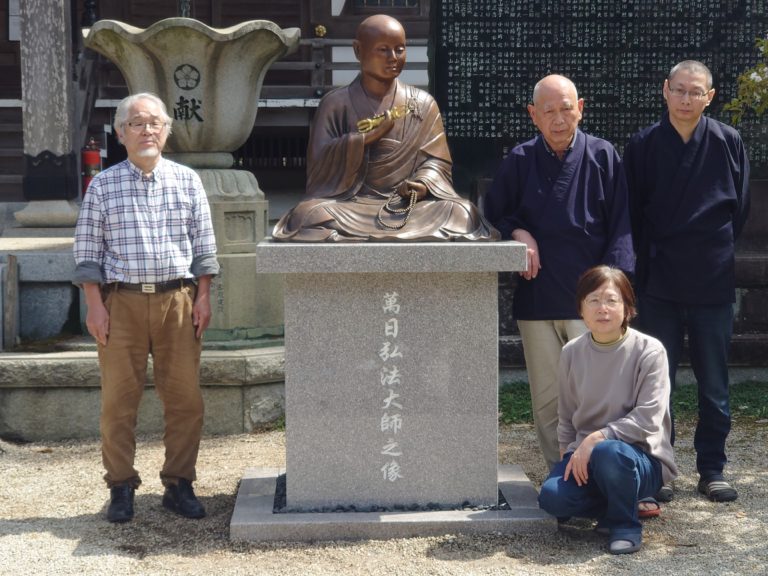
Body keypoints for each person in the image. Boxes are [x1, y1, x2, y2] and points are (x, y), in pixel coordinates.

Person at [73, 92, 220, 523]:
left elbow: (204, 247)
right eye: (137, 123)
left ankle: (179, 483)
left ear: (167, 131)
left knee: (186, 399)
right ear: (121, 134)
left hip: (178, 300)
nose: (147, 130)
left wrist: (204, 295)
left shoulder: (187, 180)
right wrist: (94, 306)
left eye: (155, 122)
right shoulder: (102, 184)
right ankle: (120, 486)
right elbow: (87, 253)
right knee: (119, 401)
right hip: (122, 304)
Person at [484, 74, 635, 471]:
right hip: (537, 295)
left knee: (597, 392)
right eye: (548, 110)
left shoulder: (603, 156)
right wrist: (518, 233)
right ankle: (561, 471)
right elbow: (495, 212)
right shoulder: (519, 160)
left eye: (566, 108)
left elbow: (622, 223)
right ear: (533, 115)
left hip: (590, 297)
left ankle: (603, 471)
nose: (558, 118)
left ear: (580, 108)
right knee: (548, 396)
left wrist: (608, 287)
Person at [624, 60, 750, 503]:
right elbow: (633, 211)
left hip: (711, 279)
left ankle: (712, 467)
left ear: (709, 97)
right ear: (665, 90)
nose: (685, 99)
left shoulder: (727, 141)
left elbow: (740, 209)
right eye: (679, 90)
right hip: (659, 279)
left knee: (714, 382)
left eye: (695, 92)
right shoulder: (642, 144)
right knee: (658, 382)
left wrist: (712, 252)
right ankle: (660, 468)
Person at [272, 14, 497, 242]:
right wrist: (364, 139)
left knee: (463, 212)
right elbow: (319, 166)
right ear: (358, 50)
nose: (393, 58)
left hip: (405, 205)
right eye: (383, 50)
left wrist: (421, 184)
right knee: (308, 214)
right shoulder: (335, 104)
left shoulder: (422, 103)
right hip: (351, 204)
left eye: (400, 49)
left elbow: (437, 162)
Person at [538, 265, 677, 555]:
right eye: (593, 300)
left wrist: (595, 438)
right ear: (581, 309)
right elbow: (567, 416)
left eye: (612, 300)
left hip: (639, 457)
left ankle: (624, 524)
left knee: (609, 452)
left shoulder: (650, 351)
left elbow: (648, 419)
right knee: (553, 499)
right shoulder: (572, 352)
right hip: (588, 457)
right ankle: (616, 502)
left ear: (627, 308)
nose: (603, 309)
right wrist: (568, 456)